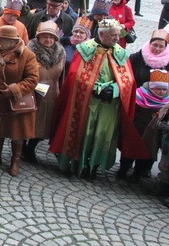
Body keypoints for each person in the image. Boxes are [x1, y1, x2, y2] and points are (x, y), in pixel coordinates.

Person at [50, 19, 149, 180]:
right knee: (83, 132)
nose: (117, 39)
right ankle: (75, 163)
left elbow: (129, 80)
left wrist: (115, 90)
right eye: (114, 35)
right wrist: (97, 88)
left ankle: (94, 166)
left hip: (109, 105)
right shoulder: (84, 50)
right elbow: (75, 75)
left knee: (102, 136)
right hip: (87, 102)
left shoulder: (121, 53)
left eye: (118, 35)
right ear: (101, 34)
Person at [0, 25, 39, 177]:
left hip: (17, 102)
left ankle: (15, 162)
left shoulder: (27, 55)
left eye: (2, 40)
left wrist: (14, 90)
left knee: (17, 133)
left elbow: (32, 79)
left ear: (12, 41)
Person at [22, 21, 65, 165]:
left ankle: (30, 148)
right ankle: (21, 148)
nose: (48, 40)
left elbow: (62, 76)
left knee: (43, 125)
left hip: (51, 94)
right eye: (45, 37)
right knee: (27, 122)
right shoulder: (29, 51)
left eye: (51, 37)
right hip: (31, 93)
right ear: (39, 37)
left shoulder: (60, 54)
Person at [117, 77, 169, 184]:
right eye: (158, 89)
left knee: (144, 154)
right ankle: (123, 170)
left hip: (151, 134)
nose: (161, 92)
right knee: (128, 151)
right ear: (151, 88)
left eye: (164, 90)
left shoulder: (166, 102)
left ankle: (137, 174)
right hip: (135, 128)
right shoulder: (138, 95)